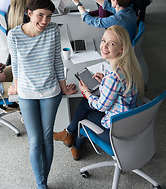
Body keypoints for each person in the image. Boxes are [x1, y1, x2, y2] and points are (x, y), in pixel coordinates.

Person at [7, 0, 77, 189]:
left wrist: (63, 87)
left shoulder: (53, 30)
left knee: (47, 137)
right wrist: (15, 85)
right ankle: (41, 183)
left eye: (48, 16)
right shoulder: (14, 35)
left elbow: (57, 61)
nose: (44, 21)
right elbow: (16, 65)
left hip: (50, 92)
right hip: (27, 94)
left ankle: (42, 182)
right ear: (29, 13)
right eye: (40, 15)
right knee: (35, 140)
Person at [53, 25, 144, 160]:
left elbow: (101, 106)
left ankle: (74, 143)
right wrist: (103, 83)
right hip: (129, 120)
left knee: (86, 115)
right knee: (85, 104)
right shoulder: (128, 66)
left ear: (121, 49)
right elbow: (117, 91)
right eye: (103, 40)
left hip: (117, 131)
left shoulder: (114, 77)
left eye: (111, 43)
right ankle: (68, 134)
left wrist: (86, 92)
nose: (104, 46)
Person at [70, 0, 137, 42]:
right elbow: (107, 5)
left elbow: (92, 21)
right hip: (127, 42)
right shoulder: (130, 11)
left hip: (122, 47)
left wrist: (78, 4)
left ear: (115, 2)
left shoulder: (117, 19)